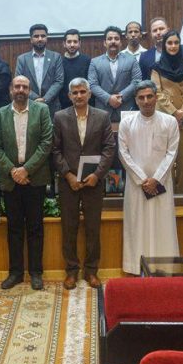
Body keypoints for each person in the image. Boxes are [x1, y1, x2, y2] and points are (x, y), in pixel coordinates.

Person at [0, 76, 53, 290]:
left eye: (24, 87)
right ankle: (16, 273)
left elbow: (47, 143)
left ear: (30, 90)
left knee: (35, 227)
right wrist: (13, 171)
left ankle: (36, 272)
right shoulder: (0, 114)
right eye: (17, 86)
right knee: (14, 228)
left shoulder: (42, 110)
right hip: (11, 180)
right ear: (11, 90)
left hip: (34, 178)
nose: (20, 90)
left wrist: (26, 169)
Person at [52, 77, 115, 289]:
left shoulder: (102, 116)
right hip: (68, 181)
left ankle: (91, 271)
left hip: (93, 182)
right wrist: (68, 175)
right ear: (69, 96)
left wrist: (97, 175)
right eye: (75, 92)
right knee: (68, 227)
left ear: (89, 94)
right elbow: (55, 149)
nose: (79, 96)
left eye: (82, 92)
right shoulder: (60, 117)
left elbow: (109, 148)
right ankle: (71, 271)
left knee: (92, 228)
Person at [118, 81, 180, 275]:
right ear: (136, 100)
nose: (146, 101)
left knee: (163, 225)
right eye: (141, 98)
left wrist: (156, 179)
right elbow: (123, 153)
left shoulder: (169, 122)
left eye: (149, 96)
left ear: (156, 97)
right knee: (137, 225)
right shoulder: (127, 123)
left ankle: (164, 267)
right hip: (137, 185)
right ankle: (135, 266)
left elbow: (172, 153)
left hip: (161, 184)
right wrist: (143, 179)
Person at [151, 30, 183, 193]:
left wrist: (182, 111)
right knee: (165, 156)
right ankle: (167, 192)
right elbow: (157, 92)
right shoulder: (156, 67)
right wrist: (174, 112)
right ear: (164, 45)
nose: (173, 46)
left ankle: (182, 193)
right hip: (164, 115)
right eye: (169, 43)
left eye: (176, 43)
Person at [88, 25, 142, 122]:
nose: (113, 41)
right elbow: (92, 85)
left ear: (120, 42)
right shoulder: (94, 62)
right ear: (104, 43)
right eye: (110, 39)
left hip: (126, 109)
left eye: (116, 39)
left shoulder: (131, 60)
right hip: (103, 109)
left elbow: (137, 81)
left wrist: (121, 96)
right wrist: (109, 99)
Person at [15, 24, 64, 116]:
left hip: (52, 106)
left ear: (47, 38)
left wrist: (45, 99)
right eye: (36, 36)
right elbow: (19, 83)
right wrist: (36, 98)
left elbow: (59, 81)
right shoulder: (22, 59)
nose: (40, 39)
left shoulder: (56, 57)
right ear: (31, 39)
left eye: (43, 36)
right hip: (29, 105)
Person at [58, 29, 92, 110]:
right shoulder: (58, 62)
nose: (72, 45)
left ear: (79, 43)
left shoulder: (87, 60)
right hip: (64, 106)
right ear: (64, 44)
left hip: (84, 103)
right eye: (69, 42)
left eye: (75, 42)